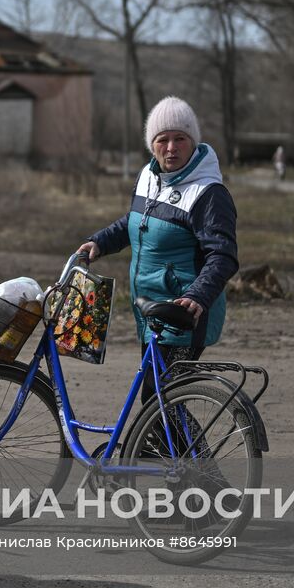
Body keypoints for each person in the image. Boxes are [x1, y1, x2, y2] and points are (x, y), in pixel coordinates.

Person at [76, 96, 238, 387]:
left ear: (193, 141)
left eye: (180, 138)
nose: (172, 148)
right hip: (151, 313)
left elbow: (223, 256)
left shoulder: (208, 193)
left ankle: (193, 436)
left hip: (184, 313)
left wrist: (197, 296)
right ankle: (180, 436)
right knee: (158, 403)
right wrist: (100, 242)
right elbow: (135, 223)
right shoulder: (149, 177)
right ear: (152, 144)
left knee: (159, 400)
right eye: (163, 139)